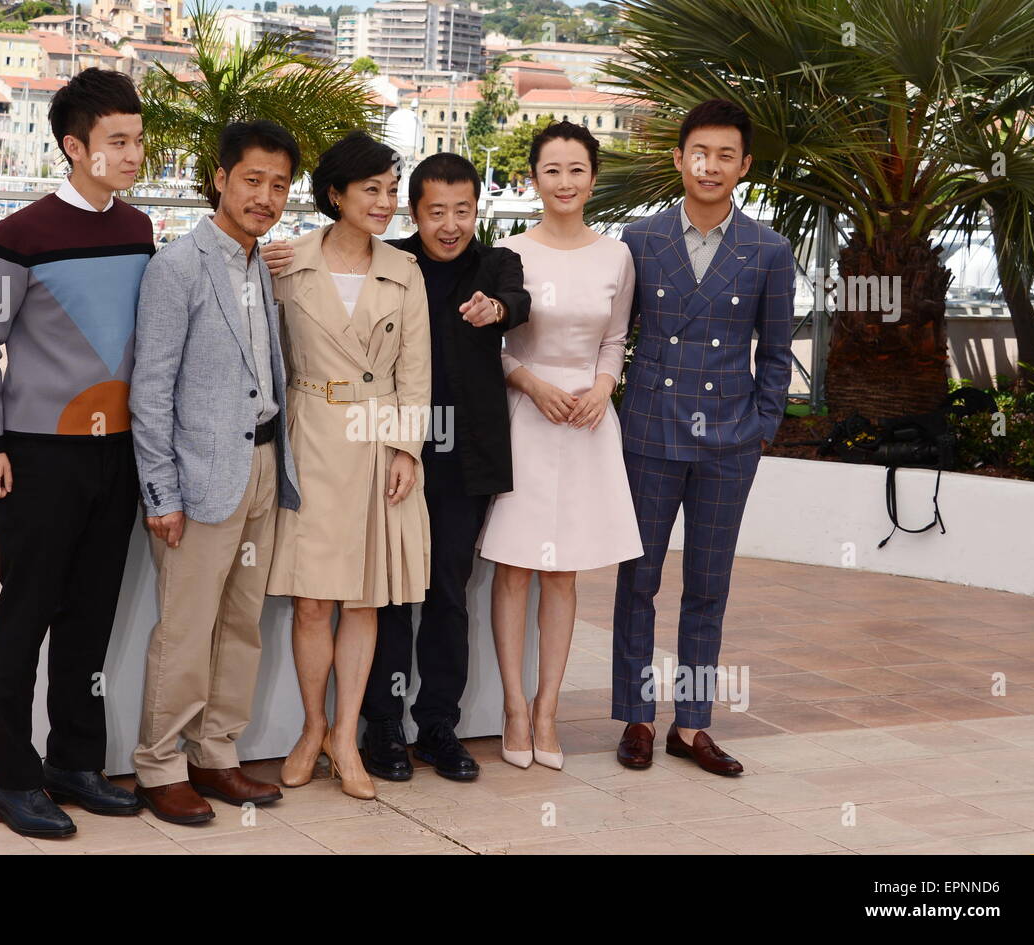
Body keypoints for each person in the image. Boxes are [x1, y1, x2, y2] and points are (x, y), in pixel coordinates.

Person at [267, 153, 530, 782]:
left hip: (436, 453)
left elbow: (510, 303)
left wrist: (404, 448)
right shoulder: (297, 260)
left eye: (463, 210)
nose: (449, 222)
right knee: (347, 601)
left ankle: (434, 724)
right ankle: (372, 726)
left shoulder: (474, 266)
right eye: (433, 209)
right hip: (325, 438)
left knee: (438, 594)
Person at [0, 68, 153, 838]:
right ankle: (13, 779)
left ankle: (75, 761)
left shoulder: (139, 229)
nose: (134, 152)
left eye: (138, 139)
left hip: (118, 454)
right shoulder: (20, 234)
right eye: (118, 140)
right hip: (39, 456)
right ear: (76, 147)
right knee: (26, 613)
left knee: (91, 617)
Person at [128, 120, 303, 825]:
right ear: (221, 178)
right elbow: (151, 388)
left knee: (241, 624)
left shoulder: (260, 261)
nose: (266, 196)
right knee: (185, 627)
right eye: (253, 180)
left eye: (280, 185)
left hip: (262, 465)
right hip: (200, 479)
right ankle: (159, 763)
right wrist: (161, 491)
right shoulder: (177, 265)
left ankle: (217, 753)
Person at [613, 99, 794, 776]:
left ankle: (691, 726)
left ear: (744, 165)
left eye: (725, 155)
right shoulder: (638, 239)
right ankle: (637, 715)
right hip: (649, 432)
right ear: (678, 159)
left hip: (728, 440)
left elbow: (778, 353)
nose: (710, 165)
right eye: (699, 152)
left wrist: (761, 428)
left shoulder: (769, 250)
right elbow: (614, 337)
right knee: (638, 579)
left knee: (708, 586)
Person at [264, 131, 431, 800]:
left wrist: (405, 448)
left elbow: (417, 373)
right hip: (309, 432)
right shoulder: (285, 263)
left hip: (375, 436)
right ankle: (310, 729)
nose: (386, 203)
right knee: (312, 601)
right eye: (373, 190)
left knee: (364, 599)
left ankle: (345, 736)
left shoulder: (404, 271)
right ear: (335, 194)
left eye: (392, 191)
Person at [478, 121, 644, 771]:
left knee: (561, 570)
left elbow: (615, 338)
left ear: (593, 178)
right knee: (514, 566)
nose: (565, 181)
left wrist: (603, 387)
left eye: (577, 169)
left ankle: (548, 710)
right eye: (552, 169)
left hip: (586, 422)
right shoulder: (507, 250)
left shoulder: (616, 255)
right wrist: (529, 381)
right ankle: (513, 709)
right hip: (525, 415)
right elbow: (487, 343)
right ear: (534, 177)